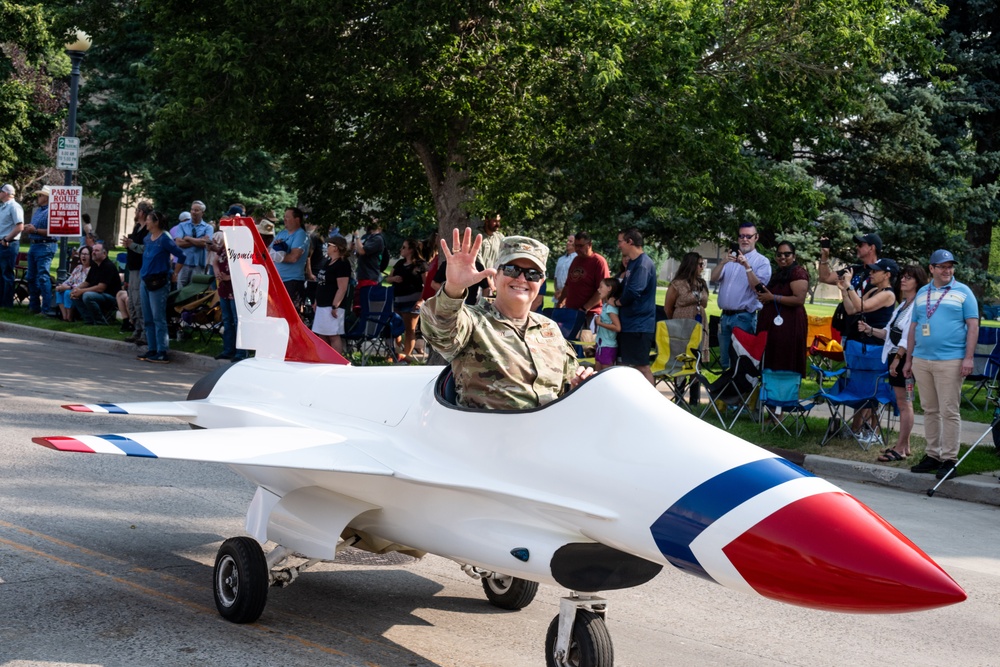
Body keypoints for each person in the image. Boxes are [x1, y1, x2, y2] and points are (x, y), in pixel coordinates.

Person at [421, 229, 591, 410]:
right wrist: (453, 289)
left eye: (533, 273)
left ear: (541, 282)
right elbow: (439, 329)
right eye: (512, 270)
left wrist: (578, 386)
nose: (521, 278)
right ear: (495, 276)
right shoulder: (472, 322)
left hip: (547, 432)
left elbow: (569, 384)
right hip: (488, 433)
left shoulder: (549, 329)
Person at [903, 249, 979, 479]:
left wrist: (968, 358)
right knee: (929, 409)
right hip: (922, 360)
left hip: (951, 361)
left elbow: (973, 326)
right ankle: (932, 455)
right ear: (932, 269)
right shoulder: (923, 292)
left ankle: (949, 459)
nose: (947, 270)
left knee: (949, 410)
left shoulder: (963, 292)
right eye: (942, 266)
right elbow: (914, 327)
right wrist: (909, 359)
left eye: (950, 266)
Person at [873, 265, 928, 462]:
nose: (903, 280)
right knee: (905, 402)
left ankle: (901, 448)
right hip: (897, 357)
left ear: (918, 282)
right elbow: (888, 331)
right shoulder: (903, 305)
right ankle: (905, 445)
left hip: (904, 359)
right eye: (903, 277)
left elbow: (907, 337)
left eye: (909, 278)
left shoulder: (916, 306)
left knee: (905, 403)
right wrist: (870, 330)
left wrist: (897, 361)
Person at [711, 222, 772, 369]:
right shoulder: (730, 260)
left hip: (744, 317)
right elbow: (713, 278)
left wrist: (747, 267)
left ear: (756, 237)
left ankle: (742, 392)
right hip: (725, 317)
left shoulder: (762, 262)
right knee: (725, 362)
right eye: (741, 236)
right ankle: (727, 391)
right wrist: (723, 262)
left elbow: (758, 289)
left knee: (741, 361)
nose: (745, 239)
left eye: (748, 236)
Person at [751, 241, 810, 377]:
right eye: (779, 254)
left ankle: (785, 392)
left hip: (790, 324)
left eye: (787, 254)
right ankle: (771, 390)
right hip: (773, 326)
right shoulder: (779, 272)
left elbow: (798, 299)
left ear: (794, 256)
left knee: (785, 357)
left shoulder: (798, 272)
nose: (782, 257)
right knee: (772, 358)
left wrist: (773, 298)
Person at [135, 211, 187, 363]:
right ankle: (152, 348)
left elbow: (181, 255)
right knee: (148, 317)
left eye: (149, 220)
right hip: (145, 280)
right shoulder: (147, 239)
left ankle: (162, 350)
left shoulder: (164, 239)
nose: (146, 223)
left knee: (158, 317)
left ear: (156, 222)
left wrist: (175, 272)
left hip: (159, 282)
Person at [617, 227, 658, 385]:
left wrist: (618, 302)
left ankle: (652, 404)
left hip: (639, 325)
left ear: (630, 241)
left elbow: (634, 292)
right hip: (629, 324)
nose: (619, 245)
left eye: (620, 242)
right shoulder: (633, 263)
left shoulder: (642, 264)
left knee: (642, 366)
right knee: (626, 365)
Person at [838, 258, 898, 348]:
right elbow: (852, 310)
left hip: (873, 346)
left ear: (887, 275)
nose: (870, 273)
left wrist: (849, 285)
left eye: (875, 271)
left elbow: (861, 307)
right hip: (860, 343)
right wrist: (844, 292)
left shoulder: (888, 294)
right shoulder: (874, 290)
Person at [386, 238, 427, 362]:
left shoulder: (421, 265)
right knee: (396, 327)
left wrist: (421, 300)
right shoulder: (399, 263)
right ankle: (397, 352)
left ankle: (406, 356)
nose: (401, 249)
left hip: (412, 300)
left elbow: (426, 284)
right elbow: (388, 278)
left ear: (411, 250)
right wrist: (394, 279)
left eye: (404, 247)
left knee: (410, 329)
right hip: (398, 300)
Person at [663, 252, 709, 361]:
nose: (702, 267)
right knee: (681, 356)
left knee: (696, 354)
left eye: (703, 264)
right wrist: (676, 321)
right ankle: (680, 378)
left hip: (699, 322)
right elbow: (668, 308)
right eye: (700, 264)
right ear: (691, 265)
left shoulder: (701, 283)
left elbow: (705, 304)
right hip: (681, 323)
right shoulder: (677, 284)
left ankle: (695, 377)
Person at [311, 235, 353, 354]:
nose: (326, 247)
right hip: (322, 305)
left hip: (332, 306)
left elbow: (342, 287)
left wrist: (335, 306)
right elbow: (322, 283)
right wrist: (317, 302)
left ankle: (337, 361)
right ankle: (325, 358)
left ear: (336, 248)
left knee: (333, 335)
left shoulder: (342, 264)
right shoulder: (328, 262)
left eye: (329, 245)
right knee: (322, 334)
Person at [210, 231, 247, 362]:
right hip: (224, 289)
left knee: (238, 321)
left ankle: (241, 352)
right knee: (227, 319)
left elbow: (246, 270)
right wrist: (217, 273)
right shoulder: (224, 249)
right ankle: (228, 350)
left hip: (236, 289)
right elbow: (214, 261)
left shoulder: (242, 250)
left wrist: (230, 277)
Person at [557, 231, 610, 323]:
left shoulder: (599, 262)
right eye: (575, 246)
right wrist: (560, 302)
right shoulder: (576, 260)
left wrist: (585, 308)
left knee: (584, 337)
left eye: (580, 246)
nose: (577, 249)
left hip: (589, 315)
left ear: (589, 245)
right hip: (571, 312)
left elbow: (603, 290)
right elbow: (568, 285)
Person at [22, 185, 57, 315]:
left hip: (46, 245)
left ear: (47, 197)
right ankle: (34, 306)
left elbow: (54, 232)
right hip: (35, 245)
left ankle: (46, 309)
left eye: (40, 195)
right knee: (31, 277)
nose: (38, 197)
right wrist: (29, 228)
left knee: (43, 277)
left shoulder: (52, 211)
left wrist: (35, 230)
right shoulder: (39, 211)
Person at [122, 201, 153, 343]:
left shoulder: (148, 229)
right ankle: (137, 329)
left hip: (142, 268)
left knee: (140, 300)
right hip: (133, 267)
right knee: (132, 300)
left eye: (136, 211)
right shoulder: (137, 227)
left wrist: (132, 245)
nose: (135, 213)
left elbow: (146, 248)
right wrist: (128, 244)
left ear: (141, 212)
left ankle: (145, 333)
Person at [69, 242, 123, 325]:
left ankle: (100, 322)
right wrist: (77, 289)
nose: (93, 252)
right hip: (98, 294)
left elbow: (101, 288)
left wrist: (82, 291)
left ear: (104, 253)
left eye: (96, 250)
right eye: (93, 250)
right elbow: (87, 282)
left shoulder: (108, 266)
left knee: (87, 295)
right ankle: (89, 320)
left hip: (110, 296)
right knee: (74, 294)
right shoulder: (94, 264)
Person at [271, 206, 311, 304]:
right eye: (284, 217)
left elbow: (293, 258)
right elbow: (268, 251)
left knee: (289, 315)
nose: (284, 219)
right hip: (277, 280)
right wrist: (276, 252)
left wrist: (277, 256)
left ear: (297, 219)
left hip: (292, 281)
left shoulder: (301, 235)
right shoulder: (282, 233)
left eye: (287, 217)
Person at [174, 200, 214, 289]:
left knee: (195, 290)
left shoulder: (208, 228)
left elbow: (205, 244)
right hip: (184, 263)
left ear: (202, 213)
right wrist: (199, 240)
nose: (193, 212)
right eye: (192, 210)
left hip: (199, 265)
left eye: (196, 210)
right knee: (180, 290)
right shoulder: (182, 225)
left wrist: (188, 238)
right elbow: (179, 242)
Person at [0, 183, 24, 308]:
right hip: (2, 243)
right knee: (1, 273)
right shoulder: (3, 207)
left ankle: (7, 303)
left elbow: (20, 226)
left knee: (7, 273)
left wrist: (6, 239)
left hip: (8, 244)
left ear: (6, 193)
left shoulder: (14, 207)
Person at [54, 246, 91, 321]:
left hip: (81, 290)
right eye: (82, 254)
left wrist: (68, 287)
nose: (83, 256)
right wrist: (62, 286)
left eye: (86, 254)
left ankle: (70, 317)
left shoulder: (91, 269)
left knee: (68, 292)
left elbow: (84, 284)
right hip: (71, 287)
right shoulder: (78, 267)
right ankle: (65, 317)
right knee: (59, 291)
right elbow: (70, 280)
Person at [593, 277, 621, 372]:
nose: (598, 289)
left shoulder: (611, 308)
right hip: (600, 344)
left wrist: (600, 323)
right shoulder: (605, 306)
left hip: (607, 346)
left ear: (609, 288)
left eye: (601, 287)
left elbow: (617, 327)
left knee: (605, 374)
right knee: (597, 373)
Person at [353, 217, 385, 290]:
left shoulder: (377, 239)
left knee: (365, 299)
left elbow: (362, 251)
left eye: (375, 221)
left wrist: (357, 236)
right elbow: (359, 252)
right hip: (363, 275)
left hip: (369, 277)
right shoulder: (370, 237)